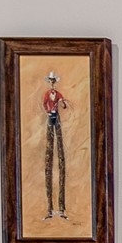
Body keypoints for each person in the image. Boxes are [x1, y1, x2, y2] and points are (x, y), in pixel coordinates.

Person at [41, 72, 69, 219]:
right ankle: (50, 209)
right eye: (50, 81)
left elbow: (63, 103)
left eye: (53, 81)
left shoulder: (58, 94)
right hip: (50, 117)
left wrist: (63, 103)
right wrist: (48, 111)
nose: (52, 84)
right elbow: (45, 103)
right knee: (49, 152)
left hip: (56, 117)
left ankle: (62, 209)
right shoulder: (47, 94)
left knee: (60, 152)